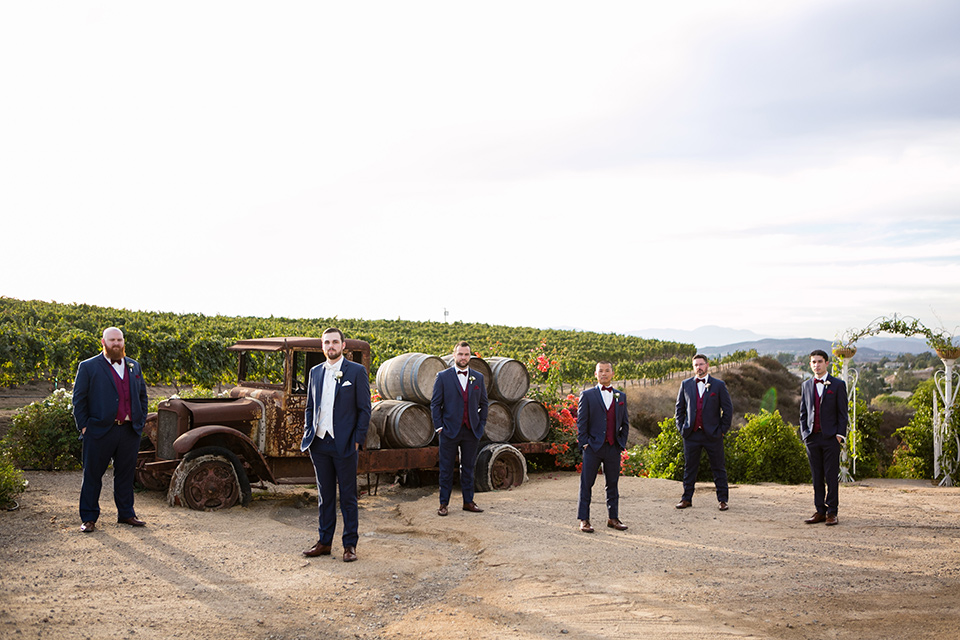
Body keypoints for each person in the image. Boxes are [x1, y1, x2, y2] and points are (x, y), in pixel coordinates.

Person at [301, 328, 372, 562]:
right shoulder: (315, 372)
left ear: (343, 345)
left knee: (348, 497)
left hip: (345, 445)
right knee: (325, 496)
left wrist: (357, 440)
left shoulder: (357, 371)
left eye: (334, 342)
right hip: (319, 444)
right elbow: (310, 406)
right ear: (322, 347)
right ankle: (324, 542)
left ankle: (350, 545)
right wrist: (308, 432)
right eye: (326, 342)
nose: (330, 346)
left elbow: (364, 410)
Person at [72, 327, 149, 533]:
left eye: (120, 340)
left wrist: (139, 422)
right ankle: (88, 518)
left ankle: (126, 514)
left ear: (124, 342)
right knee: (92, 475)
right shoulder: (88, 366)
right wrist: (85, 427)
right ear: (103, 342)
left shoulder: (134, 366)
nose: (116, 343)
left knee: (125, 475)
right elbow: (78, 400)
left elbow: (142, 396)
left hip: (129, 431)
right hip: (99, 431)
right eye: (112, 340)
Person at [431, 341, 488, 516]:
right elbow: (435, 404)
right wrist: (439, 427)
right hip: (449, 431)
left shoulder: (478, 377)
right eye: (460, 354)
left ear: (470, 356)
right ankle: (443, 504)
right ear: (454, 355)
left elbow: (484, 404)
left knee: (469, 468)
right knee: (446, 469)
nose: (463, 358)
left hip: (471, 430)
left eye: (466, 354)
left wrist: (480, 425)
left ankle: (468, 502)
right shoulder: (443, 377)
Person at [674, 354, 734, 510]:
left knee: (718, 467)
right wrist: (682, 428)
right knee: (690, 468)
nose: (698, 367)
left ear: (707, 365)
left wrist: (721, 430)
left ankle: (722, 500)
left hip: (713, 434)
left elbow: (727, 410)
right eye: (696, 365)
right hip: (691, 435)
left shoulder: (718, 385)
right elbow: (679, 409)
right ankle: (686, 499)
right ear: (693, 367)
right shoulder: (685, 384)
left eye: (701, 364)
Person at [576, 361, 630, 533]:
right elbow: (581, 423)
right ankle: (584, 520)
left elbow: (625, 423)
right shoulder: (587, 395)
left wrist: (620, 443)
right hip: (593, 447)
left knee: (612, 484)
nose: (604, 374)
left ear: (612, 373)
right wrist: (585, 444)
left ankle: (613, 518)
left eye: (607, 371)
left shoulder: (620, 397)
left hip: (613, 448)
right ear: (596, 374)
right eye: (601, 371)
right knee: (587, 484)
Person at [799, 349, 848, 526]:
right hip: (812, 438)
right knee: (816, 476)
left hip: (831, 439)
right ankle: (820, 511)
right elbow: (803, 413)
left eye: (819, 361)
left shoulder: (837, 385)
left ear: (826, 363)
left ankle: (832, 512)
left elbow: (843, 414)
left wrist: (839, 436)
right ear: (810, 364)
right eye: (813, 362)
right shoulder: (805, 386)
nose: (816, 365)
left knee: (831, 476)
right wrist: (805, 435)